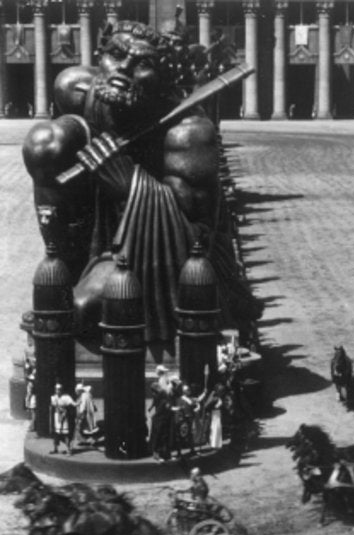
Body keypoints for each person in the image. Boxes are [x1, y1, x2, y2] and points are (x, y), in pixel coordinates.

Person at [21, 19, 261, 345]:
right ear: (99, 56)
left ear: (165, 81)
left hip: (150, 250)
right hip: (96, 233)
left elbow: (196, 235)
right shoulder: (77, 89)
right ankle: (66, 265)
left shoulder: (189, 133)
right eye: (116, 55)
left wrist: (128, 183)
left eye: (143, 64)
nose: (123, 70)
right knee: (45, 143)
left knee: (82, 309)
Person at [50, 383, 76, 454]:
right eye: (56, 389)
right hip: (57, 417)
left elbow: (73, 404)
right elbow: (53, 406)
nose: (58, 391)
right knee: (56, 433)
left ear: (62, 390)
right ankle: (55, 449)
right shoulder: (53, 397)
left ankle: (68, 450)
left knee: (65, 433)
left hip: (64, 416)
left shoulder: (66, 397)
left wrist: (80, 402)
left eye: (59, 389)